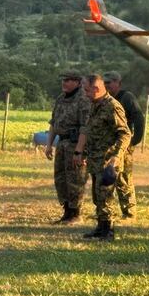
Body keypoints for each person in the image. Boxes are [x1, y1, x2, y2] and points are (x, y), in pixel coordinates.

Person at [74, 75, 131, 240]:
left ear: (96, 89)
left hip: (107, 161)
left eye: (87, 90)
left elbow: (125, 134)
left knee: (105, 196)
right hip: (95, 159)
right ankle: (101, 226)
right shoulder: (95, 105)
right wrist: (81, 152)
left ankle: (109, 231)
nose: (85, 94)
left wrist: (116, 157)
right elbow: (90, 130)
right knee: (98, 195)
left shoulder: (112, 106)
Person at [45, 70, 91, 224]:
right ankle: (67, 212)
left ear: (78, 82)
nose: (64, 83)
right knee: (61, 178)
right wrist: (49, 145)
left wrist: (79, 150)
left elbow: (86, 127)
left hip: (75, 143)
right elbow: (53, 122)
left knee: (75, 179)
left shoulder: (83, 99)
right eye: (63, 80)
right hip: (62, 143)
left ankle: (76, 213)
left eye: (69, 80)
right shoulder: (61, 98)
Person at [103, 71, 144, 219]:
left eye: (109, 82)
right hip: (108, 146)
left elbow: (139, 118)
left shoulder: (127, 98)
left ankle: (129, 212)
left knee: (124, 178)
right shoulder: (105, 99)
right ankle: (107, 211)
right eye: (105, 83)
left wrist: (134, 140)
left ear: (118, 83)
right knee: (107, 178)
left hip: (123, 144)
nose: (107, 85)